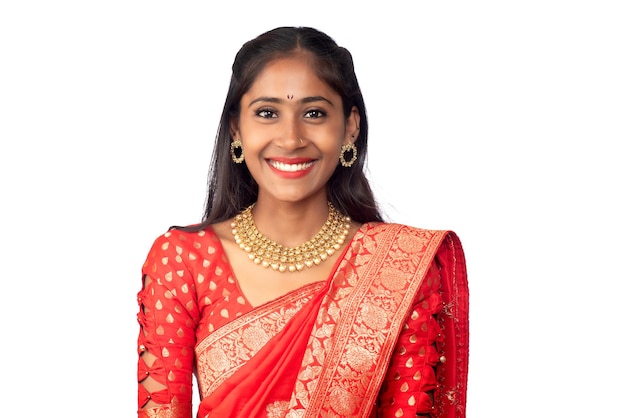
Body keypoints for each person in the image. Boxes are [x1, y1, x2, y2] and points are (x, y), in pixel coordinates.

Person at [136, 26, 469, 418]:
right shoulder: (182, 260)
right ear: (235, 129)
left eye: (314, 113)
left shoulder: (399, 269)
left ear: (350, 127)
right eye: (267, 113)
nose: (291, 139)